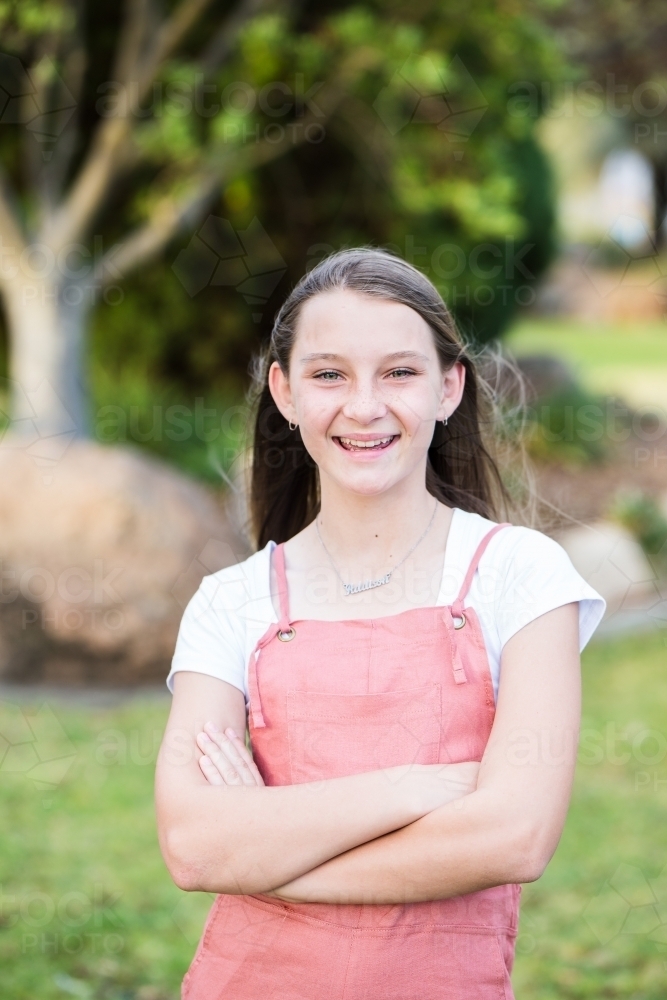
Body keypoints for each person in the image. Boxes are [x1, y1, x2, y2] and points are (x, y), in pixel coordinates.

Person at [155, 247, 606, 1000]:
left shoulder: (520, 576)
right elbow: (196, 847)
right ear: (285, 391)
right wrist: (415, 786)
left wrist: (268, 850)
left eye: (398, 372)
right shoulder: (230, 602)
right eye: (328, 374)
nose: (363, 406)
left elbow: (514, 836)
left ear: (448, 387)